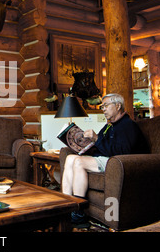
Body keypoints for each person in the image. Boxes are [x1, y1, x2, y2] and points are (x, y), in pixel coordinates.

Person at [61, 93, 148, 225]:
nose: (103, 109)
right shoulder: (109, 126)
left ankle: (78, 212)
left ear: (118, 106)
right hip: (107, 158)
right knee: (70, 158)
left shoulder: (128, 125)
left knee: (79, 162)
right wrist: (84, 146)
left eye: (106, 105)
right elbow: (101, 145)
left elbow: (122, 151)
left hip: (120, 162)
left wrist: (96, 139)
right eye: (102, 106)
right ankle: (66, 205)